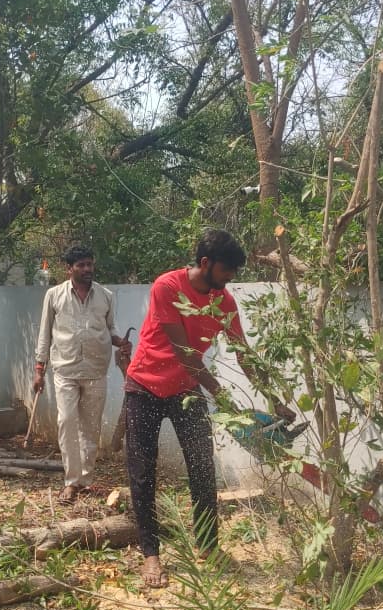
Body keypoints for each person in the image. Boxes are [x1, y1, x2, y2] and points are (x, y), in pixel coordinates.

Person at [125, 229, 294, 586]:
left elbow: (244, 354)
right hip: (145, 386)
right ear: (206, 263)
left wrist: (274, 398)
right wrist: (222, 394)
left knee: (203, 469)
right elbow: (185, 353)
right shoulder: (167, 287)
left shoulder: (224, 301)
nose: (231, 277)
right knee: (143, 473)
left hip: (187, 391)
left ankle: (208, 546)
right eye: (227, 269)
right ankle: (151, 555)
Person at [34, 244, 131, 504]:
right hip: (64, 369)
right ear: (69, 269)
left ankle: (85, 481)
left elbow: (110, 329)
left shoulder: (106, 296)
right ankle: (71, 482)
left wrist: (121, 341)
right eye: (81, 265)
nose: (87, 269)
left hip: (96, 369)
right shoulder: (54, 296)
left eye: (90, 264)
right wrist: (39, 369)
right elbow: (44, 334)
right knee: (66, 422)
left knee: (90, 427)